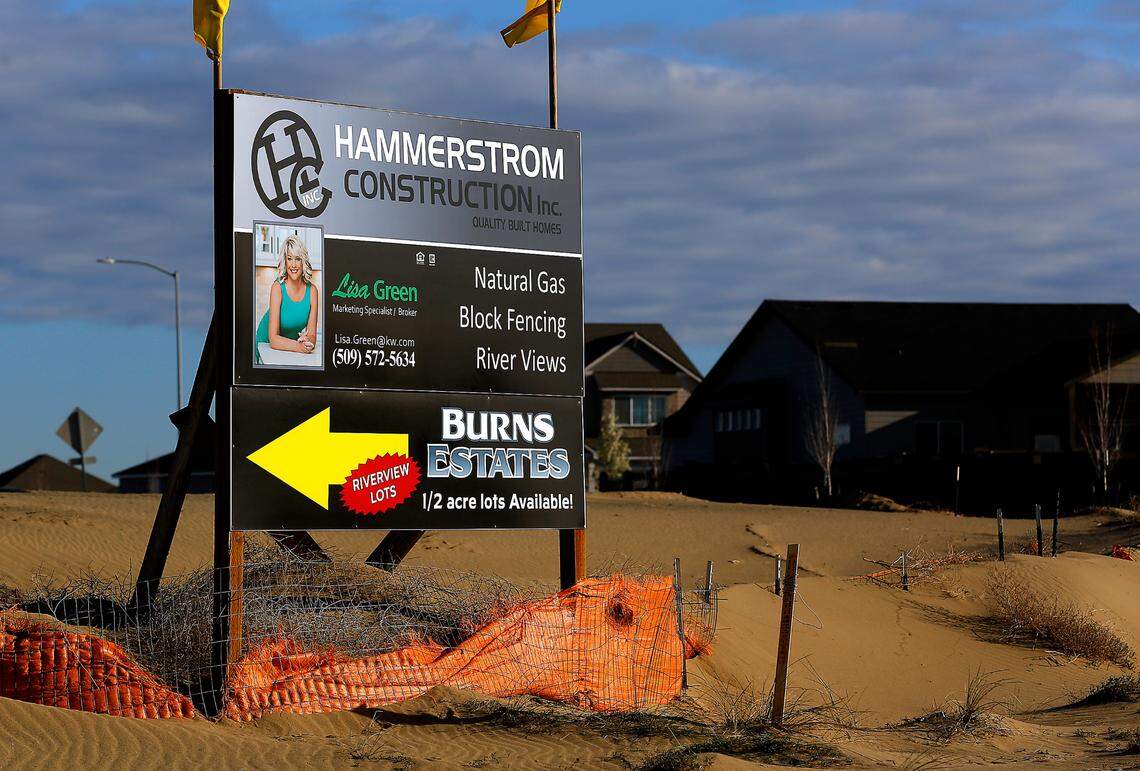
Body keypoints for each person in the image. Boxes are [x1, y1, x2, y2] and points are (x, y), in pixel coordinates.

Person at [255, 234, 319, 363]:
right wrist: (299, 347)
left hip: (289, 348)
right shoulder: (278, 287)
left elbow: (311, 334)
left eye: (298, 259)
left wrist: (308, 343)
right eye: (289, 259)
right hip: (265, 346)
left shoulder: (312, 291)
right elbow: (273, 339)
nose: (293, 265)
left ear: (303, 261)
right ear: (285, 261)